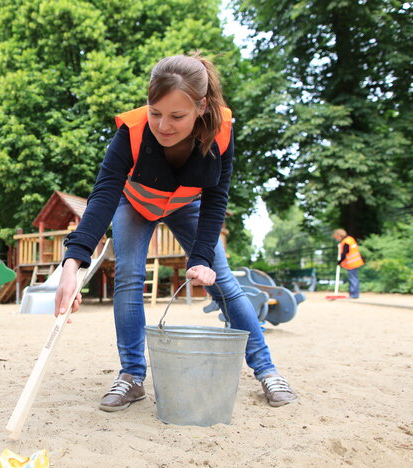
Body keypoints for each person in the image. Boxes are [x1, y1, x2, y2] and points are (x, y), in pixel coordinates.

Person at [56, 54, 298, 411]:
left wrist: (201, 257)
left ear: (201, 107)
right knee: (128, 277)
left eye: (177, 116)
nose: (163, 125)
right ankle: (132, 376)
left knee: (224, 281)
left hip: (187, 206)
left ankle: (267, 370)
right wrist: (72, 265)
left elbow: (217, 198)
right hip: (135, 204)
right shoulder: (131, 132)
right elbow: (104, 194)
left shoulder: (221, 133)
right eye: (155, 112)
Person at [332, 229, 364, 299]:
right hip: (355, 262)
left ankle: (354, 294)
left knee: (353, 278)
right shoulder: (350, 239)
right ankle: (353, 293)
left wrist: (339, 262)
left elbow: (345, 253)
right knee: (353, 278)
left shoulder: (346, 242)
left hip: (352, 263)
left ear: (339, 236)